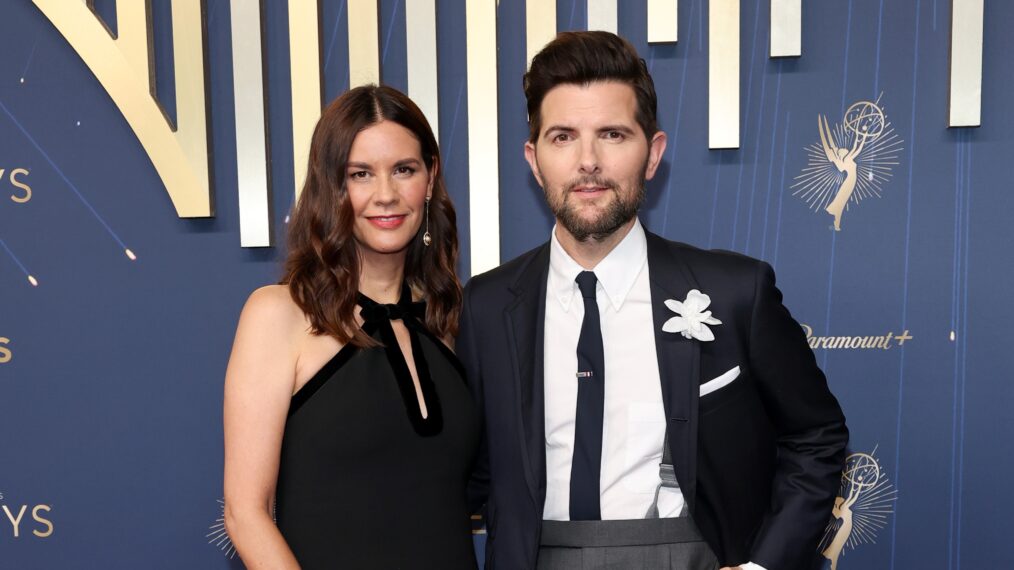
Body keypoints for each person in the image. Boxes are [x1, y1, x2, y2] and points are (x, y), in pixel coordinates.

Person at [458, 31, 848, 570]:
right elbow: (465, 475)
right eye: (563, 136)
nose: (588, 160)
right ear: (534, 158)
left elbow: (816, 436)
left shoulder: (736, 292)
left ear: (653, 153)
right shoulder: (486, 305)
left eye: (613, 134)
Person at [222, 85, 478, 569]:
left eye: (404, 169)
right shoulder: (280, 315)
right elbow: (245, 513)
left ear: (430, 177)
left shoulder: (448, 320)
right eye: (360, 174)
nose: (386, 195)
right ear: (332, 187)